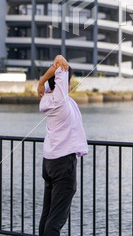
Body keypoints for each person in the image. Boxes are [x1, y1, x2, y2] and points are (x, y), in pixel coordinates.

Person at [37, 54, 88, 236]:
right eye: (70, 80)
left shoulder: (47, 100)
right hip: (63, 163)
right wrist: (44, 78)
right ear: (63, 81)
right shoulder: (60, 100)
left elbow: (55, 73)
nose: (71, 84)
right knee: (56, 220)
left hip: (49, 162)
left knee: (47, 215)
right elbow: (60, 63)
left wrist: (41, 82)